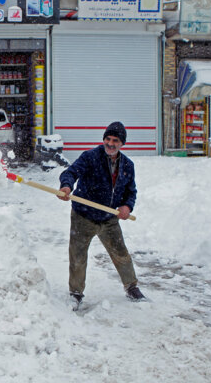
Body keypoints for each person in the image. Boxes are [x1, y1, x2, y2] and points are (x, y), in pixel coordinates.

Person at [57, 121, 145, 307]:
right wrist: (66, 186)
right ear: (103, 139)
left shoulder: (128, 165)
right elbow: (71, 172)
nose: (110, 143)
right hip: (84, 216)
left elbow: (131, 192)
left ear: (122, 144)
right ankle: (76, 293)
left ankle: (131, 286)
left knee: (121, 254)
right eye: (108, 139)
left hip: (109, 218)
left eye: (115, 140)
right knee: (78, 256)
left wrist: (127, 207)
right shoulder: (90, 157)